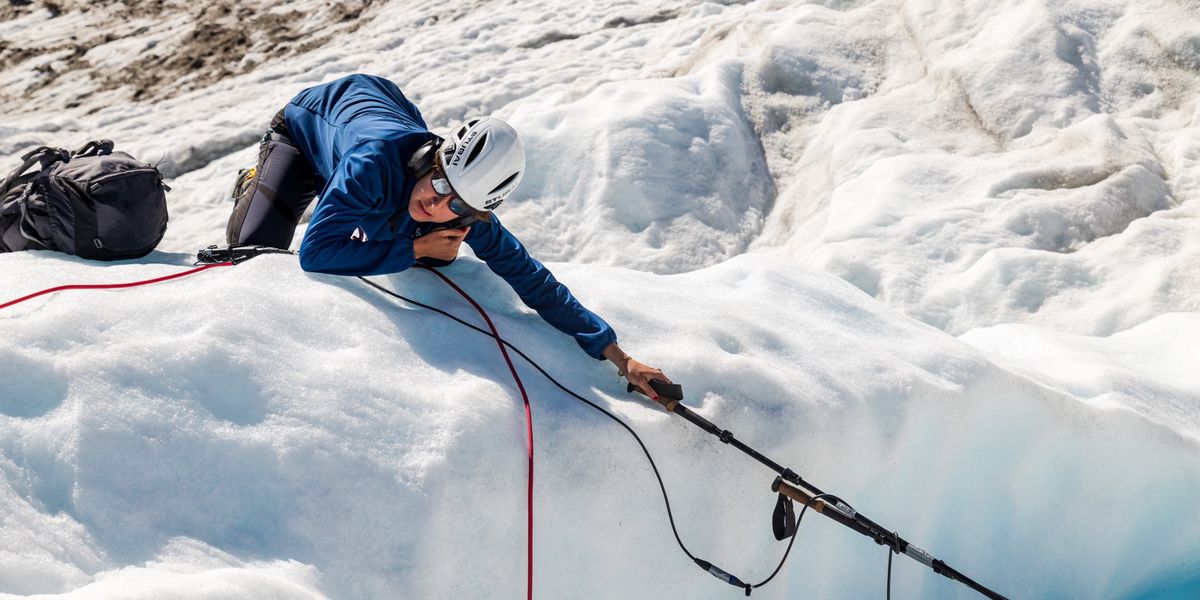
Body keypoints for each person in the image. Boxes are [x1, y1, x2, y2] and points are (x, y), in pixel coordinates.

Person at [225, 73, 671, 399]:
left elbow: (531, 279)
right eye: (439, 187)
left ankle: (349, 201)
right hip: (309, 125)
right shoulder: (371, 165)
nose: (440, 206)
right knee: (251, 248)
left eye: (458, 206)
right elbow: (316, 253)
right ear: (433, 161)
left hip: (384, 112)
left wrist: (619, 357)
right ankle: (261, 179)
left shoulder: (463, 207)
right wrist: (414, 246)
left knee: (437, 249)